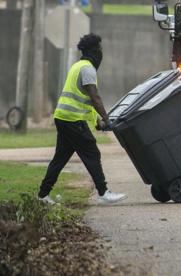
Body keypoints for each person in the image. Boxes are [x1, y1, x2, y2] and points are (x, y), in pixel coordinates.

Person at [38, 33, 126, 205]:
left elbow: (86, 101)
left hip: (63, 117)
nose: (101, 53)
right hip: (71, 119)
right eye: (99, 49)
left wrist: (97, 122)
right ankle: (103, 192)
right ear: (93, 51)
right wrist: (107, 119)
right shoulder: (88, 69)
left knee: (60, 157)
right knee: (92, 152)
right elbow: (94, 98)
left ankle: (42, 195)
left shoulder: (78, 66)